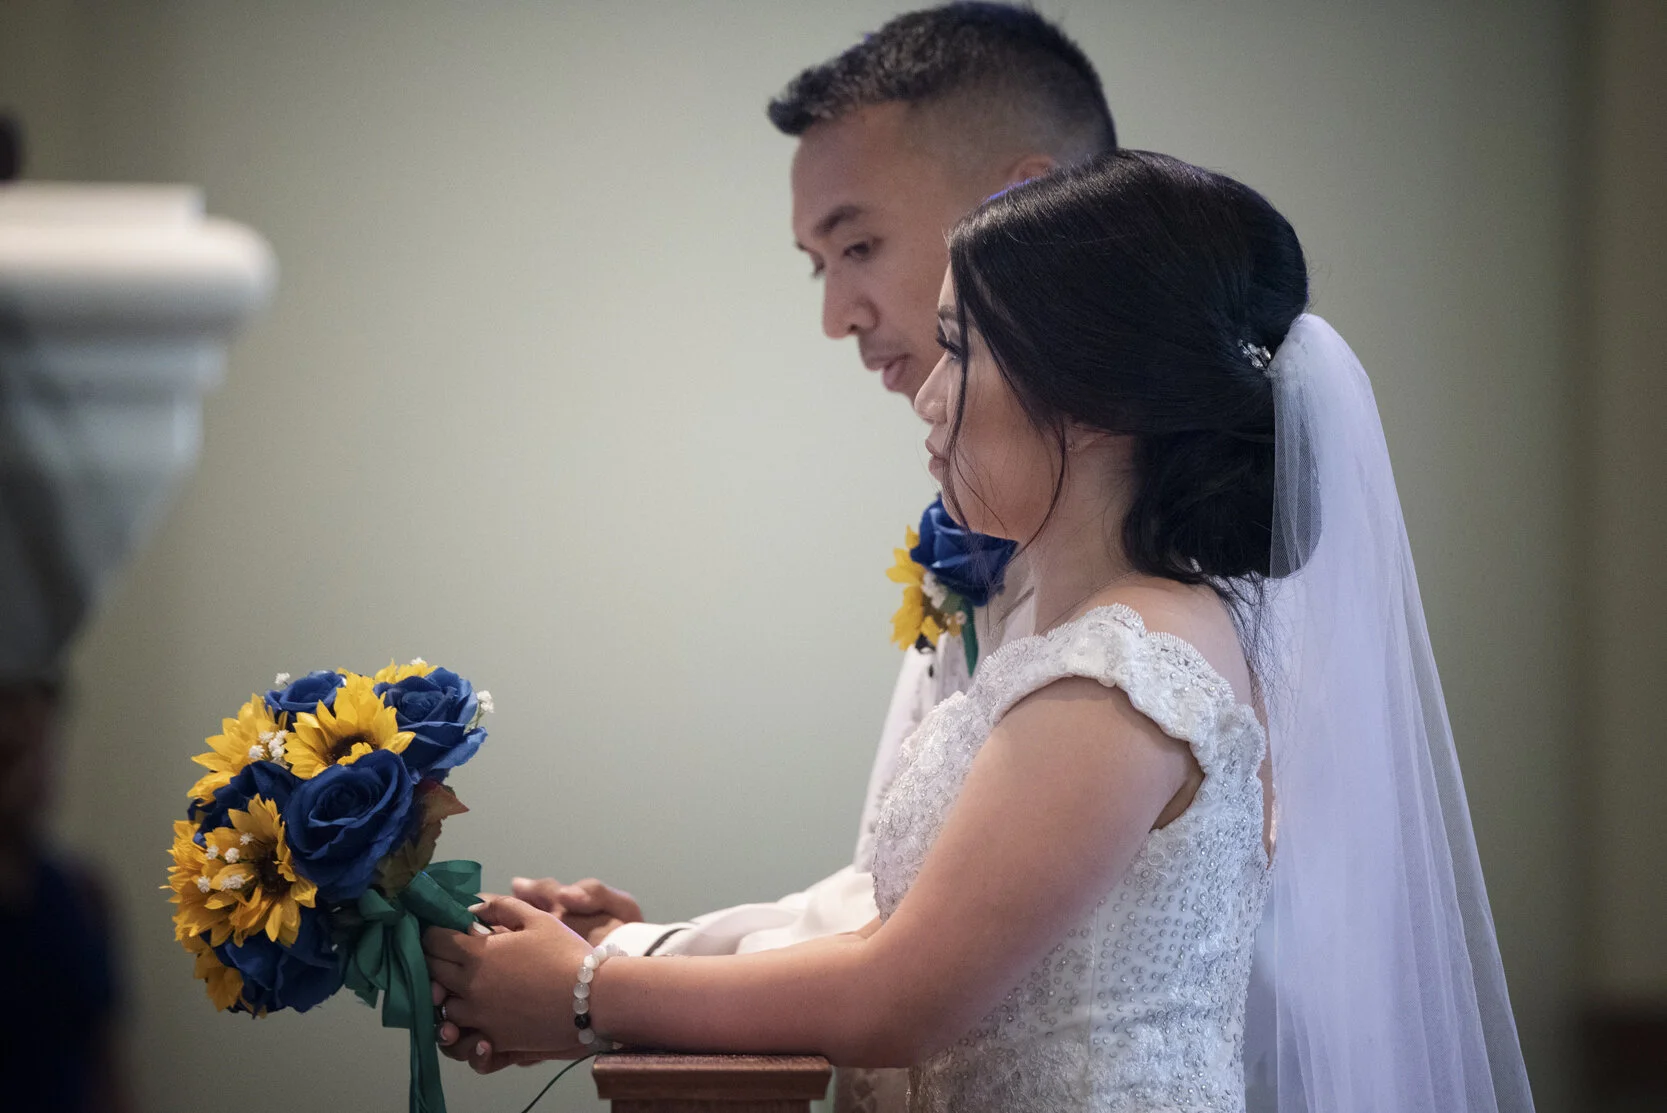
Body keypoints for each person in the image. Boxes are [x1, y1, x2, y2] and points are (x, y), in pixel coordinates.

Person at [426, 150, 1535, 1111]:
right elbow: (894, 935)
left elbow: (899, 994)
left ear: (1092, 393)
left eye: (960, 348)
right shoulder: (1110, 642)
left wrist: (588, 993)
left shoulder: (1121, 674)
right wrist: (620, 956)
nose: (927, 395)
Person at [434, 6, 1116, 1101]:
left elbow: (915, 972)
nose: (837, 315)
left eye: (859, 246)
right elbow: (897, 897)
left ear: (1018, 206)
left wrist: (597, 985)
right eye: (817, 265)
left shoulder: (1179, 581)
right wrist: (638, 950)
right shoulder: (986, 537)